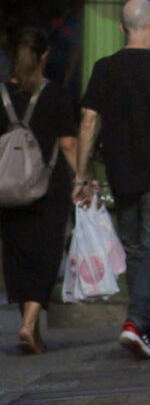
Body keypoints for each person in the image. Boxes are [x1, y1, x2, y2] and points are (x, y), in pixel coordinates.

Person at [74, 0, 150, 359]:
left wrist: (81, 172)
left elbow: (89, 121)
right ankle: (137, 320)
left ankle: (147, 324)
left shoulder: (105, 68)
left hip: (120, 172)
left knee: (136, 249)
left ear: (122, 29)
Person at [1, 28, 77, 354]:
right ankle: (29, 325)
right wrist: (83, 178)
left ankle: (30, 328)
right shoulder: (57, 95)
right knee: (46, 255)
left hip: (7, 186)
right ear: (45, 55)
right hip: (49, 186)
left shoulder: (1, 94)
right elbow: (69, 145)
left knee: (17, 256)